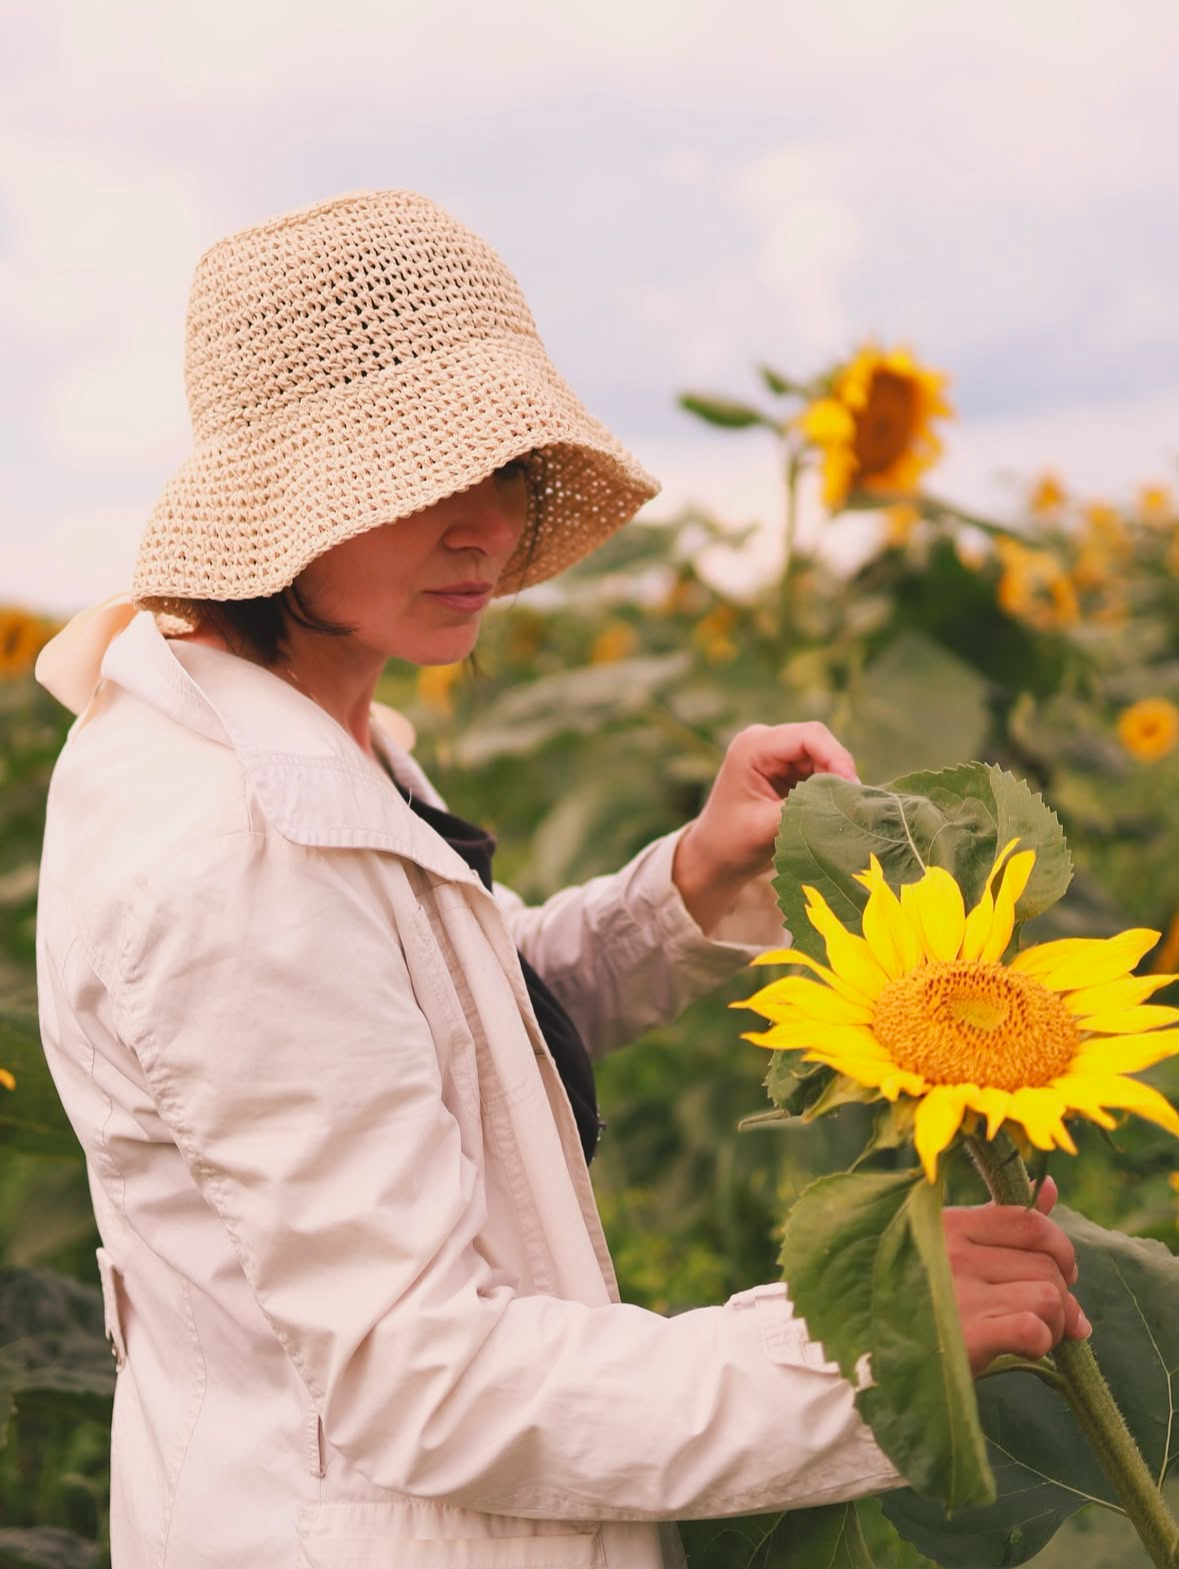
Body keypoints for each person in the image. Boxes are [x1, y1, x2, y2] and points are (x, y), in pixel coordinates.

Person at [34, 190, 1087, 1569]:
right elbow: (420, 1374)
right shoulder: (232, 853)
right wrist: (869, 1343)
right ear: (282, 508)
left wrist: (690, 888)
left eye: (508, 468)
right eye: (420, 479)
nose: (485, 528)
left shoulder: (298, 735)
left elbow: (437, 1034)